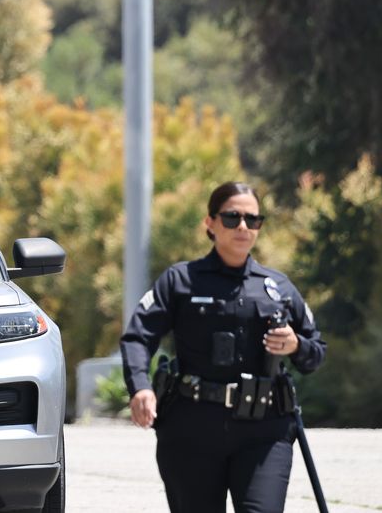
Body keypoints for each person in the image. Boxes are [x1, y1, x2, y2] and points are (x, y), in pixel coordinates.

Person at [120, 181, 326, 513]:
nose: (243, 227)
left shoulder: (278, 288)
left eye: (252, 219)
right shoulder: (180, 280)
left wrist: (295, 344)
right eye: (232, 218)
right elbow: (137, 337)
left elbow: (315, 352)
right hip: (192, 429)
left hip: (264, 430)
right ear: (210, 223)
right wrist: (140, 388)